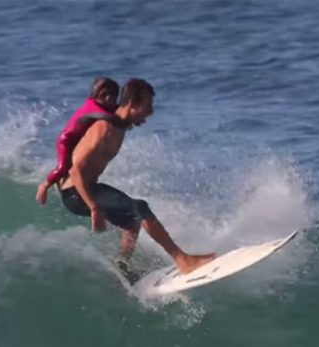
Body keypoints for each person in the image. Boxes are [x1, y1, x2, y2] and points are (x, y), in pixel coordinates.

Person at [54, 78, 216, 284]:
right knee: (140, 208)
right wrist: (94, 207)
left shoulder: (118, 126)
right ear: (131, 104)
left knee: (132, 221)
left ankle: (123, 268)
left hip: (86, 189)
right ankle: (183, 260)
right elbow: (75, 170)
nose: (151, 112)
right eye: (147, 106)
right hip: (76, 193)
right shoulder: (104, 128)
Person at [36, 77, 126, 205]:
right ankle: (44, 185)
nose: (109, 100)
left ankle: (68, 183)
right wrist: (122, 121)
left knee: (79, 165)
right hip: (66, 140)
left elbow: (117, 110)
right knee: (63, 167)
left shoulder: (104, 106)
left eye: (113, 97)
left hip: (79, 139)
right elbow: (105, 116)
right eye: (105, 96)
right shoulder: (92, 106)